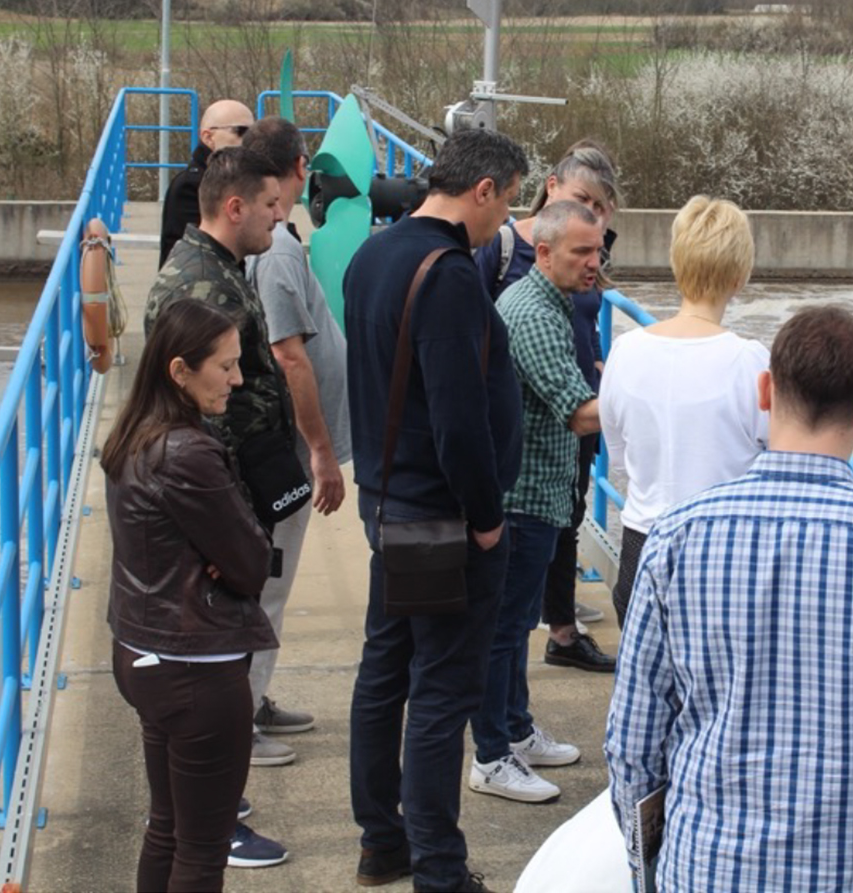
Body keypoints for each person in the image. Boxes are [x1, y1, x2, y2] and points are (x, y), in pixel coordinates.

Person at [605, 305, 853, 892]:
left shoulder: (678, 535)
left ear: (765, 390)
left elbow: (632, 741)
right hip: (850, 868)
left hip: (704, 865)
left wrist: (650, 863)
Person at [344, 127, 528, 893]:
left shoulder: (372, 254)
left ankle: (382, 842)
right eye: (508, 202)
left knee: (385, 670)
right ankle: (439, 872)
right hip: (441, 518)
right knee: (442, 689)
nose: (505, 223)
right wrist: (485, 516)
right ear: (482, 189)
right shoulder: (448, 274)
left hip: (388, 504)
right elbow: (458, 416)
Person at [146, 146, 293, 867]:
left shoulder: (220, 269)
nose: (280, 215)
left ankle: (212, 808)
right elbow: (198, 412)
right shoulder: (197, 283)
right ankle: (220, 820)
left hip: (233, 489)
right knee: (215, 666)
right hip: (216, 500)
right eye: (269, 205)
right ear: (233, 207)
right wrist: (229, 513)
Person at [102, 298, 279, 891]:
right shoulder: (190, 453)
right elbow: (253, 562)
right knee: (203, 853)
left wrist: (217, 556)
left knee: (168, 829)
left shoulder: (134, 433)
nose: (238, 378)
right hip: (195, 669)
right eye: (225, 367)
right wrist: (226, 557)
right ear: (180, 370)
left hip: (144, 652)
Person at [467, 201, 604, 806]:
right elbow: (580, 413)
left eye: (598, 250)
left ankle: (516, 729)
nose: (594, 263)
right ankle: (492, 754)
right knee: (503, 630)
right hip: (522, 496)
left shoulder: (552, 302)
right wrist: (657, 392)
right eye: (581, 252)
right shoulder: (533, 314)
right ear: (543, 253)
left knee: (517, 625)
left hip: (539, 493)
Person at [474, 140, 621, 673]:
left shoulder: (570, 275)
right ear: (552, 189)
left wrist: (603, 366)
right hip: (531, 463)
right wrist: (644, 391)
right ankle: (498, 744)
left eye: (601, 214)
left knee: (565, 526)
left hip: (557, 444)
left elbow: (588, 328)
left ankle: (554, 641)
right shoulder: (516, 270)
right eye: (584, 201)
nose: (593, 258)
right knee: (507, 623)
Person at [597, 195, 770, 628]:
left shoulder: (625, 350)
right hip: (723, 553)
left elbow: (618, 455)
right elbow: (775, 455)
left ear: (676, 263)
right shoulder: (750, 361)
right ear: (741, 274)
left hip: (643, 546)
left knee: (646, 689)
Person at [240, 116, 351, 766]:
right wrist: (319, 451)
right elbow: (290, 356)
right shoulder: (278, 251)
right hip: (284, 450)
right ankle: (241, 720)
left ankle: (254, 697)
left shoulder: (274, 238)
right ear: (300, 167)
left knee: (267, 583)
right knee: (267, 584)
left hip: (285, 444)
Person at [159, 99, 255, 268]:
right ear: (208, 137)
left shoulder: (231, 179)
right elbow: (193, 256)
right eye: (241, 132)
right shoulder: (190, 186)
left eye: (253, 134)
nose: (249, 141)